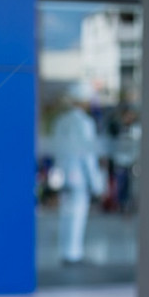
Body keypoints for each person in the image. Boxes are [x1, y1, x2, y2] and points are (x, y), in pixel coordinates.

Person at [52, 82, 104, 264]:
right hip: (79, 176)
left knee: (66, 214)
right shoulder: (84, 123)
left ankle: (66, 251)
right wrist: (95, 182)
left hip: (64, 174)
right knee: (77, 215)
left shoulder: (61, 122)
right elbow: (87, 156)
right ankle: (73, 253)